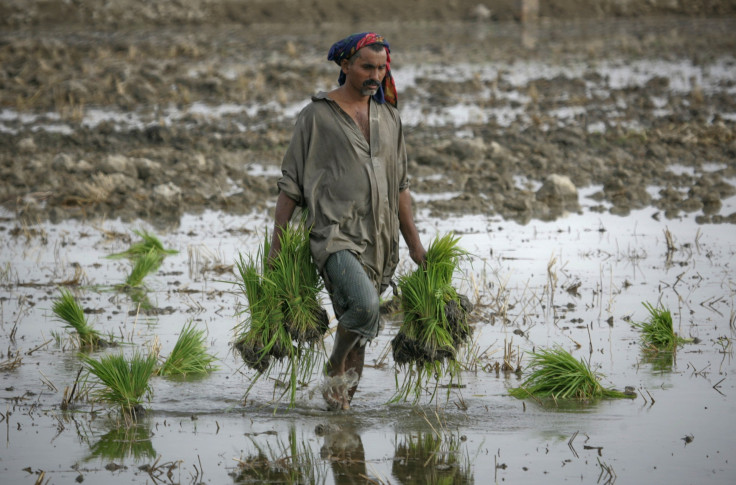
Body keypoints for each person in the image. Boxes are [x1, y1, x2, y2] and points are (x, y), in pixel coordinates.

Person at [268, 32, 426, 411]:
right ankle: (333, 363)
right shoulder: (317, 117)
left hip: (379, 240)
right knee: (367, 308)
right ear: (345, 66)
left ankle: (342, 423)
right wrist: (276, 247)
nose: (375, 75)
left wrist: (415, 246)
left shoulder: (389, 117)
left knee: (357, 334)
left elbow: (401, 187)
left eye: (381, 68)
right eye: (366, 67)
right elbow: (291, 187)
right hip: (334, 235)